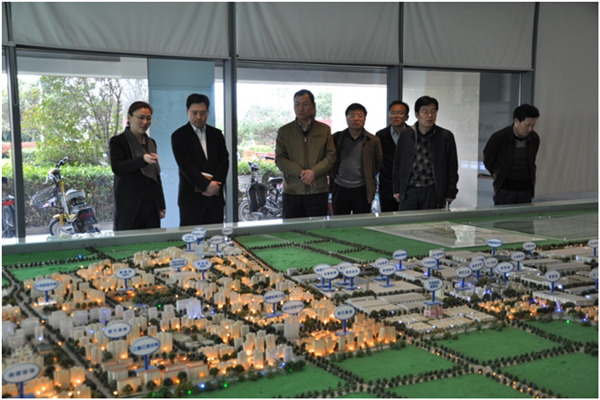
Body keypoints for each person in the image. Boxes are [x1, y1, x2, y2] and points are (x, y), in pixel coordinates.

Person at [275, 89, 336, 218]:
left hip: (317, 191)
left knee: (317, 228)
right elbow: (280, 159)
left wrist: (313, 172)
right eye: (297, 104)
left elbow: (331, 156)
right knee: (293, 229)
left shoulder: (324, 130)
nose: (300, 108)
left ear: (313, 106)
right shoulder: (284, 132)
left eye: (305, 104)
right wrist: (301, 172)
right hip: (293, 191)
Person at [171, 94, 229, 226]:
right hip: (191, 200)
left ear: (208, 112)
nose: (198, 117)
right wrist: (206, 186)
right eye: (194, 113)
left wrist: (215, 185)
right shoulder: (179, 136)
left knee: (215, 236)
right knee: (191, 237)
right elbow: (186, 166)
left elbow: (224, 161)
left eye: (202, 113)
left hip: (215, 198)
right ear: (187, 112)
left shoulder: (216, 134)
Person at [392, 96, 459, 210]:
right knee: (407, 220)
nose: (430, 115)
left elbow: (452, 167)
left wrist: (451, 192)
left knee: (432, 221)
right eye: (425, 112)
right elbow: (397, 163)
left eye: (433, 111)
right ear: (417, 114)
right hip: (409, 190)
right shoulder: (406, 134)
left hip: (433, 190)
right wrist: (397, 189)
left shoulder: (445, 136)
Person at [110, 101, 166, 231]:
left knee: (152, 241)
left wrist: (161, 204)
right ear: (129, 118)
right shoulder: (118, 141)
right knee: (128, 241)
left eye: (148, 118)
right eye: (141, 117)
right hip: (129, 205)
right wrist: (142, 159)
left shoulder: (151, 142)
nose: (145, 122)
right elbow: (117, 167)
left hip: (151, 204)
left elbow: (156, 175)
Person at [483, 104, 541, 205]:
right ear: (516, 121)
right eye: (527, 125)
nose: (530, 129)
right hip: (504, 190)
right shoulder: (499, 138)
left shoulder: (534, 138)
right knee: (503, 215)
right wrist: (500, 174)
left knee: (525, 215)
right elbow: (488, 161)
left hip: (526, 189)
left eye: (533, 125)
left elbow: (532, 160)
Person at [331, 103, 382, 215]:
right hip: (340, 187)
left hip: (362, 188)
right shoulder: (337, 138)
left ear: (365, 118)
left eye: (360, 115)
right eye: (351, 116)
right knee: (340, 221)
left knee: (361, 221)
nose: (356, 119)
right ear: (346, 119)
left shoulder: (373, 140)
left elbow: (377, 164)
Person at [376, 101, 410, 212]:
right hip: (387, 185)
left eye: (400, 113)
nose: (396, 116)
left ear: (407, 117)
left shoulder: (413, 134)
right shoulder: (380, 135)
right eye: (392, 113)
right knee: (388, 218)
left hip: (408, 186)